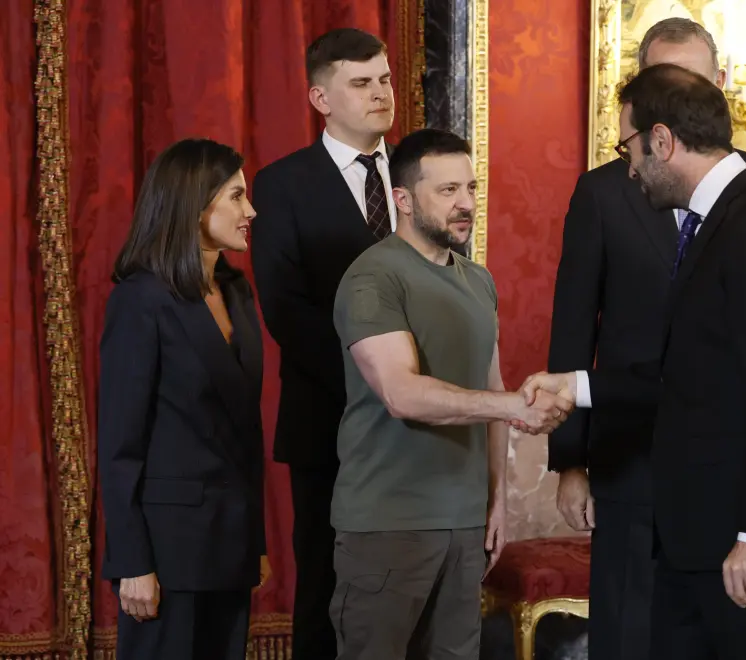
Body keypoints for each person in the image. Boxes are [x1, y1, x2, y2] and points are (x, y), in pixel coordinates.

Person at [525, 64, 746, 659]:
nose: (628, 166)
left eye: (629, 146)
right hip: (699, 537)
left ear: (663, 140)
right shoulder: (719, 220)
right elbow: (693, 373)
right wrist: (575, 385)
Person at [329, 128, 571, 660]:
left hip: (464, 525)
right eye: (447, 192)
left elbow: (490, 390)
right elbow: (402, 394)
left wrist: (496, 501)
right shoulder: (373, 277)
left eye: (471, 188)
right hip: (389, 524)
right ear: (403, 199)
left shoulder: (478, 281)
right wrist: (514, 406)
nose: (466, 204)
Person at [250, 27, 394, 659]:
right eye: (361, 83)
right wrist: (379, 382)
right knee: (327, 590)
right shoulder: (282, 185)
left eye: (384, 79)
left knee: (409, 589)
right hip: (330, 420)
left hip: (425, 427)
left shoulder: (422, 171)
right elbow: (285, 309)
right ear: (320, 97)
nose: (379, 93)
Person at [98, 138, 269, 660]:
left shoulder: (237, 292)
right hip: (165, 553)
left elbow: (242, 432)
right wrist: (132, 561)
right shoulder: (141, 300)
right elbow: (119, 443)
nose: (251, 211)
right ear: (196, 206)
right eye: (237, 197)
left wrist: (254, 540)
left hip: (229, 544)